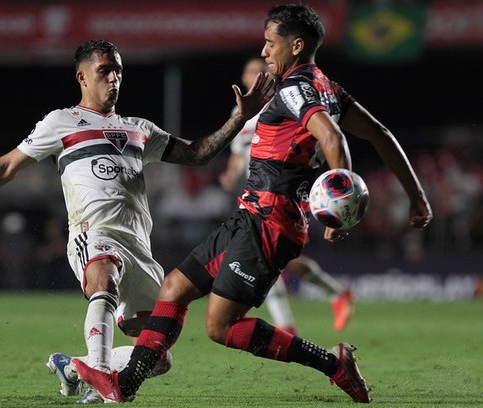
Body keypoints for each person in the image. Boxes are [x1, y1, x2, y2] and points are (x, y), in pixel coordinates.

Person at [73, 4, 433, 404]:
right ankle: (124, 385)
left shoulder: (297, 87)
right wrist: (416, 197)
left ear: (296, 46)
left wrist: (339, 201)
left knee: (221, 327)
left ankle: (335, 364)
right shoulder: (326, 86)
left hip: (271, 220)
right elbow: (380, 134)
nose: (264, 51)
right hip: (252, 215)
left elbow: (333, 139)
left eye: (270, 42)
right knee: (173, 289)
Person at [0, 40, 276, 402]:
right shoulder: (61, 122)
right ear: (82, 77)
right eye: (104, 71)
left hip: (138, 246)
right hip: (92, 232)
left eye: (118, 71)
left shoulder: (139, 128)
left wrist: (240, 118)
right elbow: (7, 166)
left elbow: (197, 154)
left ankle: (75, 367)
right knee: (103, 279)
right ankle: (100, 381)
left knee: (158, 357)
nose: (113, 78)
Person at [220, 57, 354, 333]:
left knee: (266, 256)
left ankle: (287, 323)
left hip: (281, 191)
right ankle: (334, 294)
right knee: (278, 259)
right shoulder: (241, 111)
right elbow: (237, 154)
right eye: (250, 72)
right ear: (246, 80)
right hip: (254, 194)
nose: (255, 76)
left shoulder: (285, 102)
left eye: (260, 71)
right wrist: (231, 173)